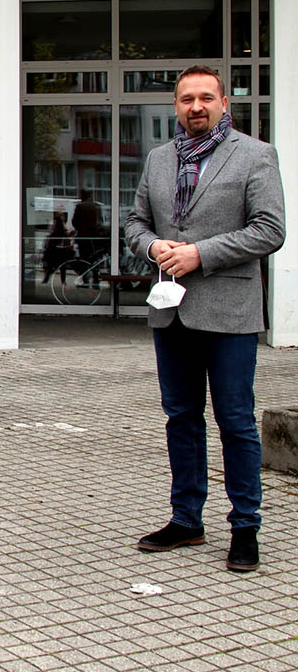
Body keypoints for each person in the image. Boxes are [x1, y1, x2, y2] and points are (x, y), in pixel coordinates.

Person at [125, 64, 285, 572]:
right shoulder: (158, 158)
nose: (196, 107)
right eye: (186, 99)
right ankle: (187, 520)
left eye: (205, 98)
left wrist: (200, 253)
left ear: (223, 103)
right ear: (176, 106)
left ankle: (245, 527)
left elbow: (269, 230)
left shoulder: (256, 155)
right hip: (171, 314)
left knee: (235, 422)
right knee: (181, 419)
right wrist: (152, 246)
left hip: (231, 311)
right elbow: (135, 222)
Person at [41, 210, 74, 283]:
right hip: (60, 248)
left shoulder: (57, 224)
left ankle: (47, 278)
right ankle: (62, 281)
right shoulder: (62, 226)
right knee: (61, 266)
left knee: (51, 264)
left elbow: (50, 235)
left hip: (56, 248)